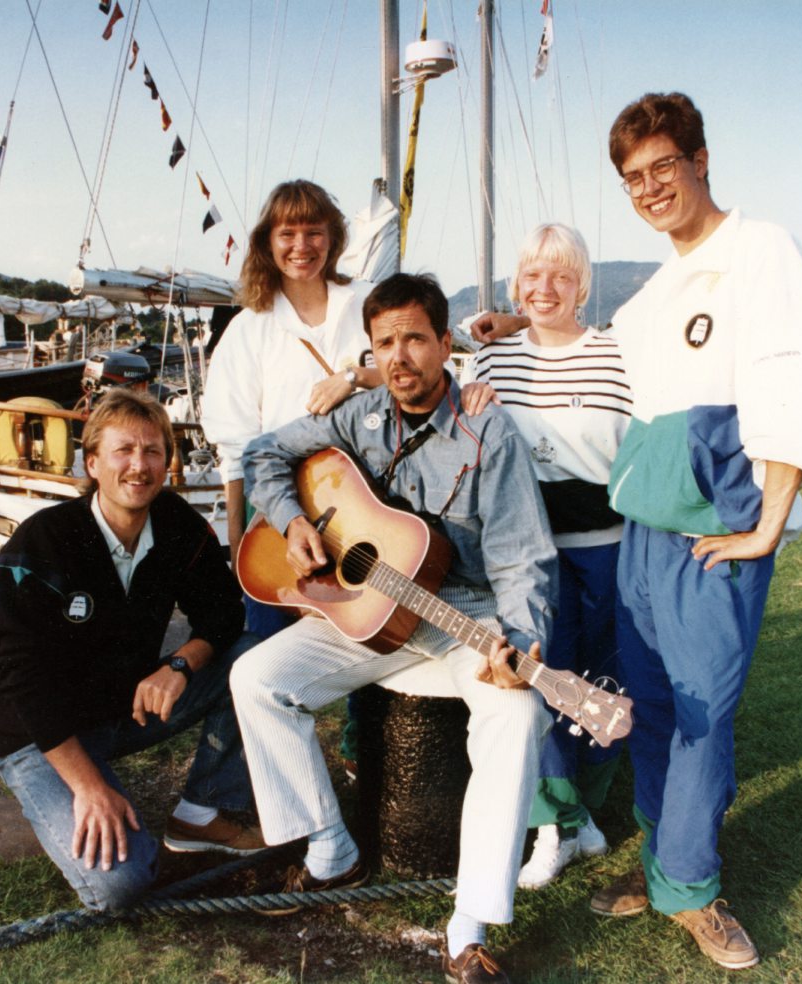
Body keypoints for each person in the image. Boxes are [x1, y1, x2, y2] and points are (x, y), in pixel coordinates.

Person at [508, 91, 802, 970]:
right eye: (634, 179)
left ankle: (694, 888)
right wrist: (517, 322)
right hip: (644, 535)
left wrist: (767, 523)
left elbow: (797, 380)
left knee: (703, 711)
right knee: (654, 703)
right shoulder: (654, 294)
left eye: (665, 167)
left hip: (716, 531)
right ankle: (665, 865)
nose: (652, 187)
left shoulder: (758, 249)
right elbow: (594, 347)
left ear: (701, 160)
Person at [232, 273, 557, 984]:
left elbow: (523, 556)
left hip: (457, 615)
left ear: (446, 342)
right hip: (364, 617)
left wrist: (521, 640)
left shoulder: (486, 429)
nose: (401, 355)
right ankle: (329, 852)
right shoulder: (359, 417)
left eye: (415, 337)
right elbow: (262, 453)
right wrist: (291, 520)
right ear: (372, 351)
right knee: (254, 679)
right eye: (386, 342)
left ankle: (468, 924)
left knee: (517, 710)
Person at [0, 388, 265, 911]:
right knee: (121, 884)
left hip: (124, 707)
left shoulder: (177, 524)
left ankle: (202, 812)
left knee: (257, 658)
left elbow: (224, 613)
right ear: (92, 463)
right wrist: (88, 786)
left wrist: (180, 664)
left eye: (153, 451)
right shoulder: (44, 541)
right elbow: (20, 675)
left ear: (167, 461)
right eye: (123, 451)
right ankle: (64, 789)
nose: (139, 466)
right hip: (39, 735)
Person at [461, 223, 632, 890]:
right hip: (523, 558)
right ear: (515, 285)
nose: (546, 288)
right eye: (533, 275)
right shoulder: (491, 359)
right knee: (535, 680)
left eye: (562, 275)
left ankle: (582, 809)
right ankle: (553, 825)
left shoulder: (617, 354)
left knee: (601, 683)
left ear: (583, 286)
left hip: (609, 550)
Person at [201, 179, 380, 606]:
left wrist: (354, 376)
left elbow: (424, 373)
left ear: (333, 239)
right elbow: (237, 456)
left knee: (370, 634)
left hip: (373, 511)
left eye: (314, 232)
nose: (302, 246)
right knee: (273, 637)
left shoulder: (368, 302)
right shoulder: (249, 329)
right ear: (268, 242)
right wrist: (239, 562)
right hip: (282, 516)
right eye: (288, 234)